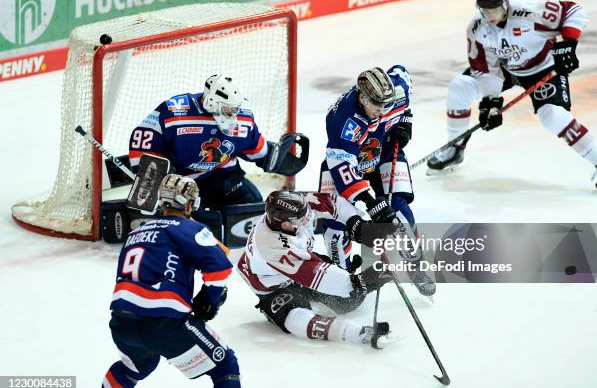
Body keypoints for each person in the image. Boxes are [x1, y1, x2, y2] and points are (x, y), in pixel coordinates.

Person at [426, 0, 597, 195]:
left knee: (552, 115)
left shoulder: (529, 11)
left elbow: (573, 11)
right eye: (485, 10)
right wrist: (490, 103)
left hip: (543, 69)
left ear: (505, 3)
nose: (490, 16)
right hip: (507, 70)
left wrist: (568, 44)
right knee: (460, 86)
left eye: (494, 9)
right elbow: (486, 70)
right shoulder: (477, 28)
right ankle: (454, 148)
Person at [93, 174, 241, 388]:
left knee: (135, 367)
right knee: (225, 366)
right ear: (190, 204)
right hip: (164, 322)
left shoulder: (135, 233)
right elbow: (219, 268)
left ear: (162, 202)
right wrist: (209, 299)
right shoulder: (190, 229)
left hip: (122, 322)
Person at [319, 65, 435, 296]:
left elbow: (402, 73)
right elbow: (343, 169)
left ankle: (414, 263)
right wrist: (371, 203)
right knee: (333, 227)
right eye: (376, 106)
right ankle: (342, 280)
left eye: (387, 106)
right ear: (362, 97)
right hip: (348, 163)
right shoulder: (343, 120)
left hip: (383, 153)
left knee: (401, 213)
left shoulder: (396, 90)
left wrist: (405, 121)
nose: (382, 112)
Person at [237, 191, 393, 348]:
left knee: (349, 303)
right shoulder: (271, 246)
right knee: (293, 317)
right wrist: (373, 276)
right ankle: (356, 333)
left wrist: (357, 224)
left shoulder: (298, 208)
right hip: (273, 287)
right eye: (301, 220)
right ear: (284, 224)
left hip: (302, 260)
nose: (307, 219)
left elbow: (334, 202)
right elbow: (331, 281)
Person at [128, 73, 298, 211]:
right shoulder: (175, 112)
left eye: (235, 109)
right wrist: (158, 176)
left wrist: (276, 157)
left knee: (253, 206)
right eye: (228, 109)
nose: (233, 114)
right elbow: (143, 141)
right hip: (182, 183)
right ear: (211, 102)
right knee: (188, 225)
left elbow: (255, 147)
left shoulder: (243, 118)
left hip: (224, 178)